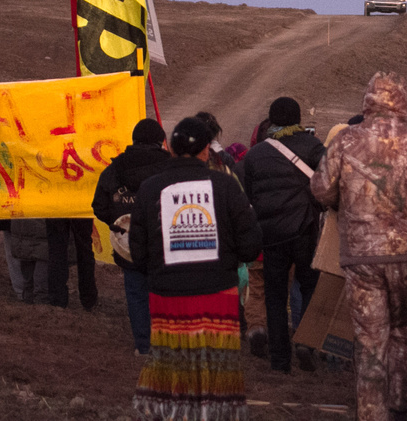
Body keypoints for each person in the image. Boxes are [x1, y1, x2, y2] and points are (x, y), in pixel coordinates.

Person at [312, 71, 407, 421]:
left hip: (362, 256)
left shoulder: (345, 141)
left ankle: (371, 413)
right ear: (403, 100)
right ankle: (403, 407)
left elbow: (321, 191)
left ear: (369, 100)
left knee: (370, 339)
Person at [130, 116, 262, 421]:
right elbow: (250, 244)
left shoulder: (150, 190)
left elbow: (137, 253)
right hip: (217, 297)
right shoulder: (226, 186)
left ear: (171, 149)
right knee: (214, 375)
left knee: (174, 372)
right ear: (206, 150)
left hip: (167, 299)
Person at [241, 96, 325, 372]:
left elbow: (251, 195)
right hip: (304, 231)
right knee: (309, 287)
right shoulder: (314, 148)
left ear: (271, 120)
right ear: (299, 120)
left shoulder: (254, 156)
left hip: (271, 236)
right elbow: (327, 188)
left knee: (275, 296)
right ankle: (306, 342)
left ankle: (279, 358)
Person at [91, 117, 171, 355]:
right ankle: (165, 343)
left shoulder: (115, 168)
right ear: (160, 141)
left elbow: (99, 206)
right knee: (164, 293)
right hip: (164, 242)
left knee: (136, 294)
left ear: (134, 140)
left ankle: (144, 346)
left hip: (126, 243)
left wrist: (117, 225)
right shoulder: (171, 167)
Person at [45, 216, 97, 310]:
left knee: (56, 249)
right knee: (84, 249)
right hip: (79, 206)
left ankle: (57, 300)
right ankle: (89, 299)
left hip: (56, 206)